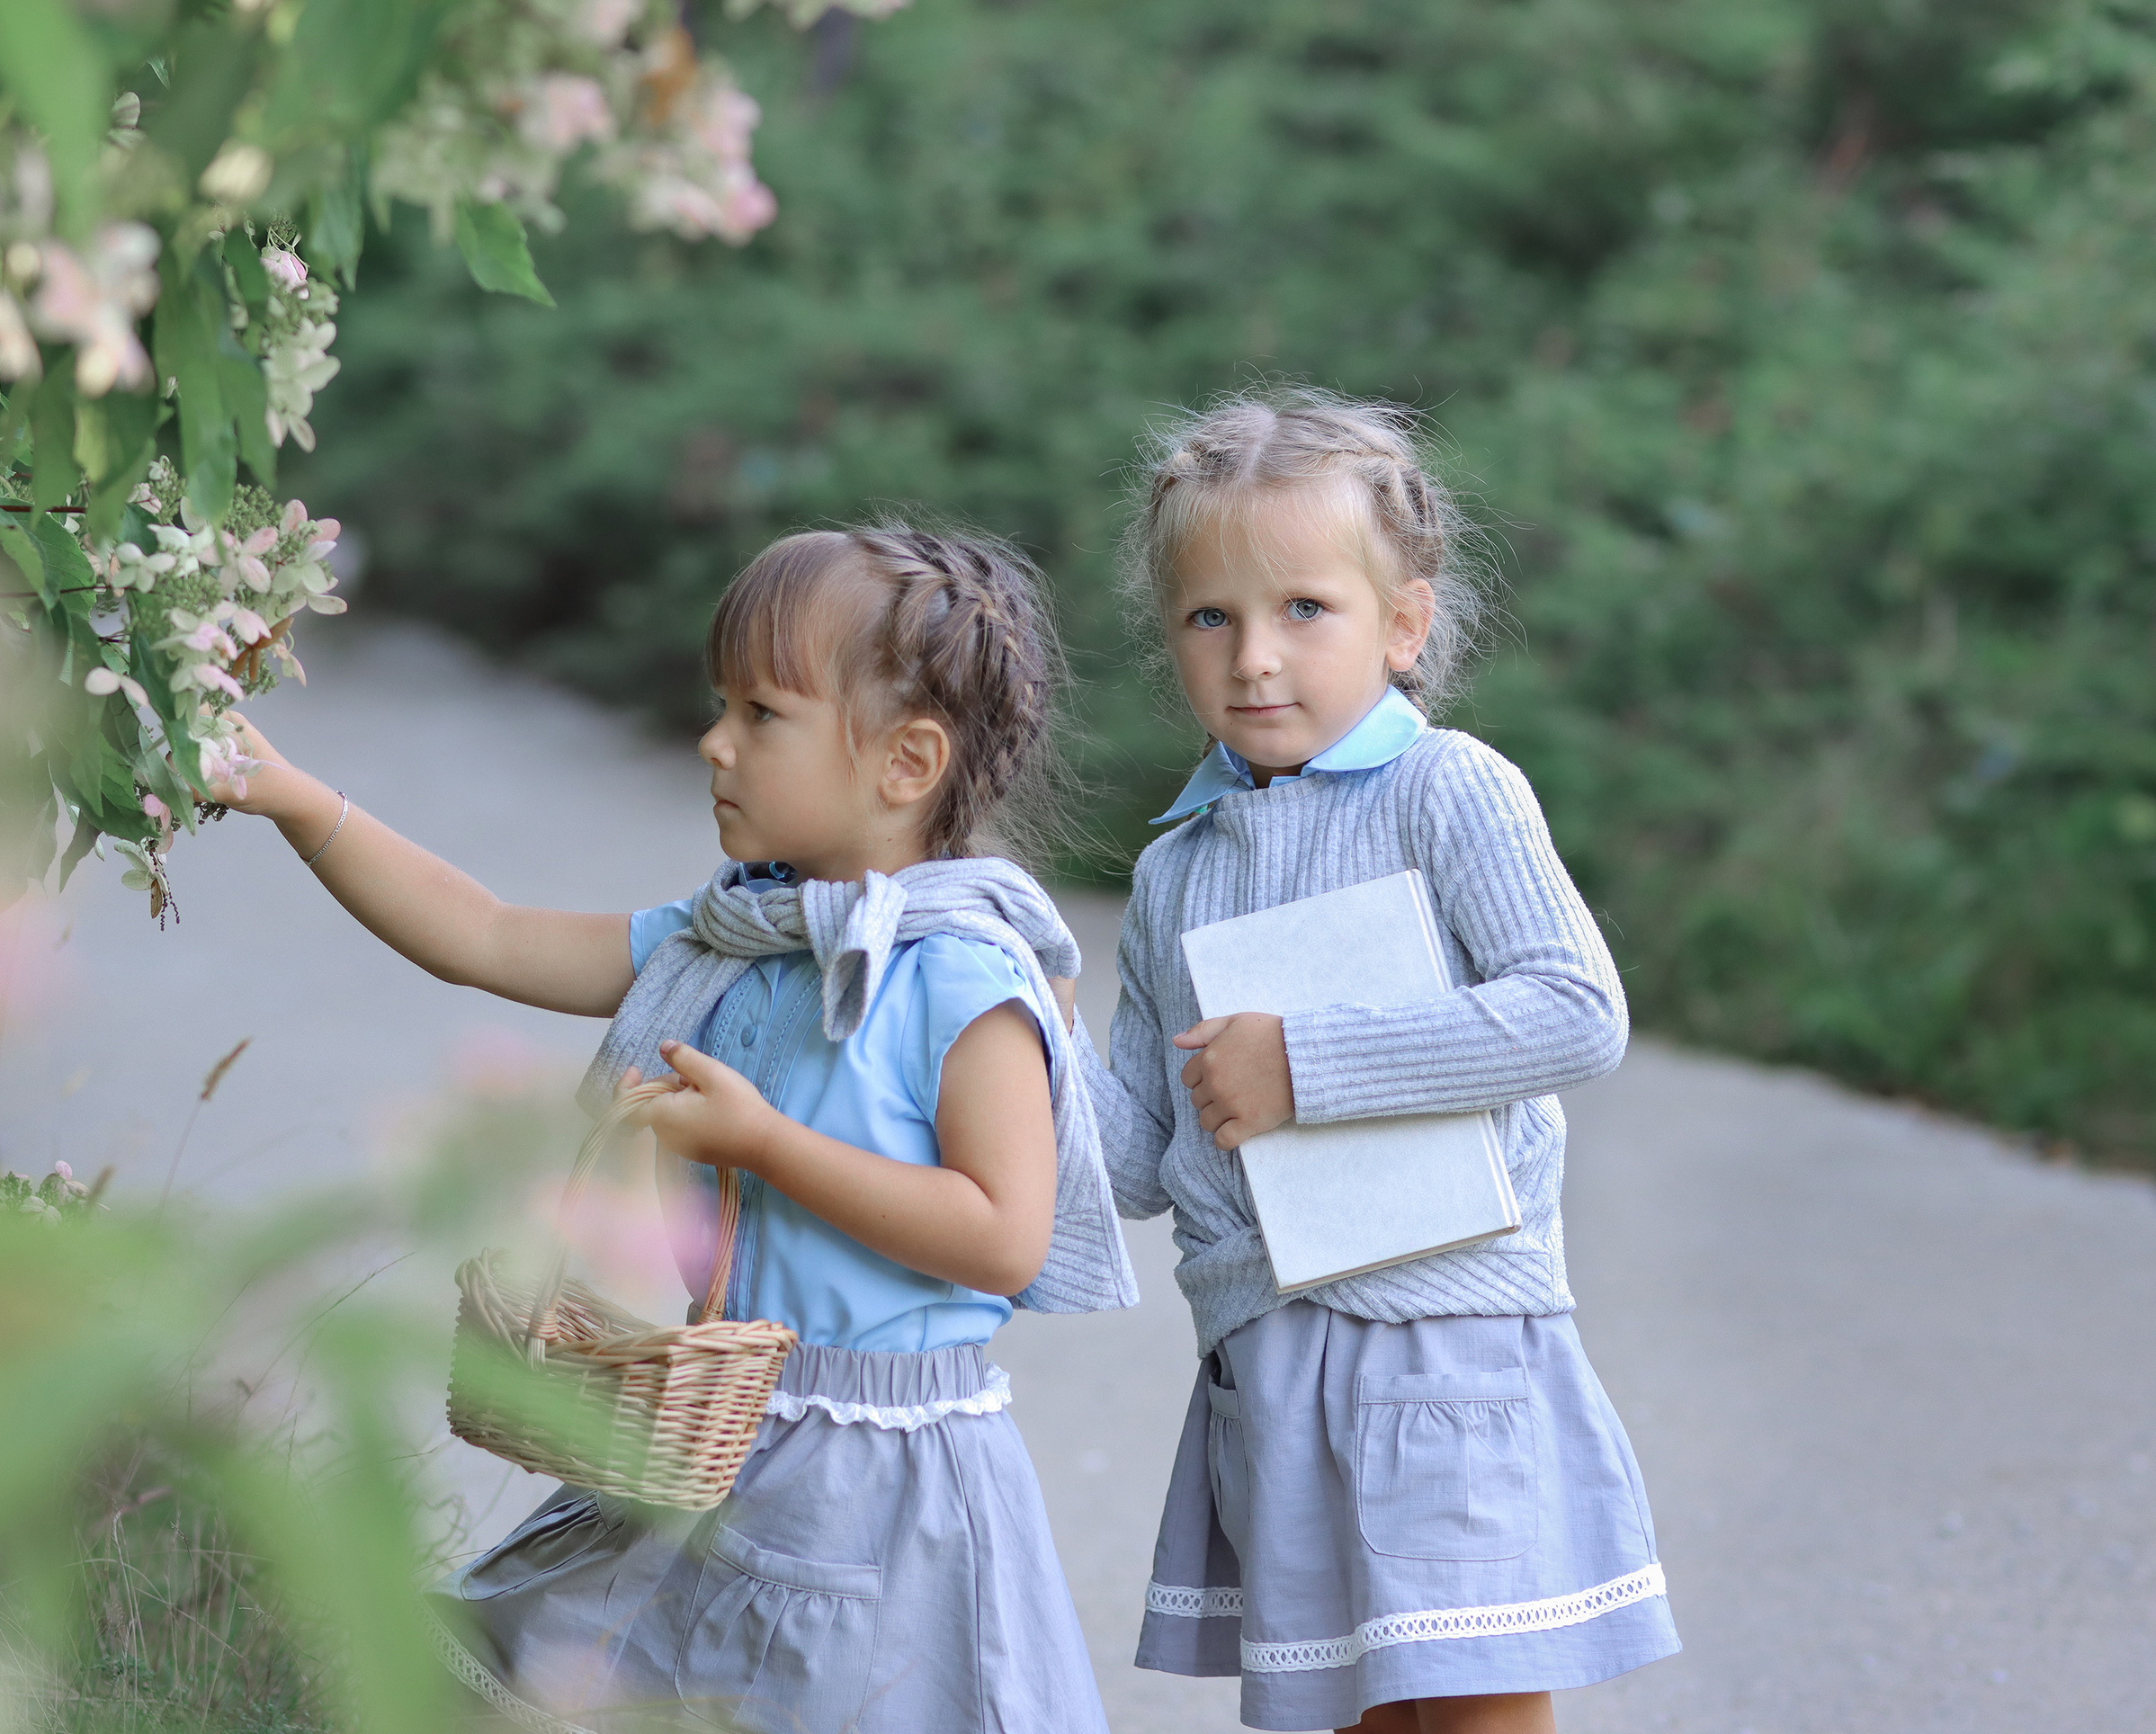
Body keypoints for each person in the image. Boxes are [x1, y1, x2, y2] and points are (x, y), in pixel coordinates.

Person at [210, 524, 1136, 1734]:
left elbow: (1005, 1236)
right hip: (708, 1444)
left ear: (907, 762)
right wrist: (288, 795)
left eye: (762, 714)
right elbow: (482, 937)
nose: (716, 743)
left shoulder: (964, 981)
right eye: (721, 706)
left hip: (879, 1490)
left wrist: (767, 1145)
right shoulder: (733, 940)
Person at [1077, 389, 1681, 1734]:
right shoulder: (1178, 868)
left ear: (1402, 625)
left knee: (1468, 1705)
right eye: (1210, 617)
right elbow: (1132, 1159)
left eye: (1304, 608)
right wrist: (1007, 1028)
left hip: (1440, 1340)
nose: (1254, 658)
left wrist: (1306, 1068)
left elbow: (1576, 1010)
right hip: (1265, 1364)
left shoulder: (1450, 790)